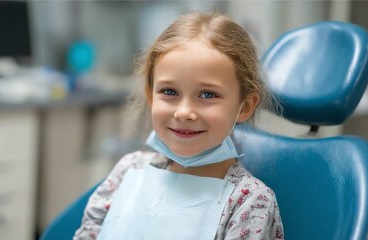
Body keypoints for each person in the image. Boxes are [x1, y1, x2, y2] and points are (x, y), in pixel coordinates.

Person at [74, 12, 284, 240]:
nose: (183, 112)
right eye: (169, 92)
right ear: (151, 96)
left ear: (244, 106)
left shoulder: (249, 202)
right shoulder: (128, 170)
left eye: (207, 94)